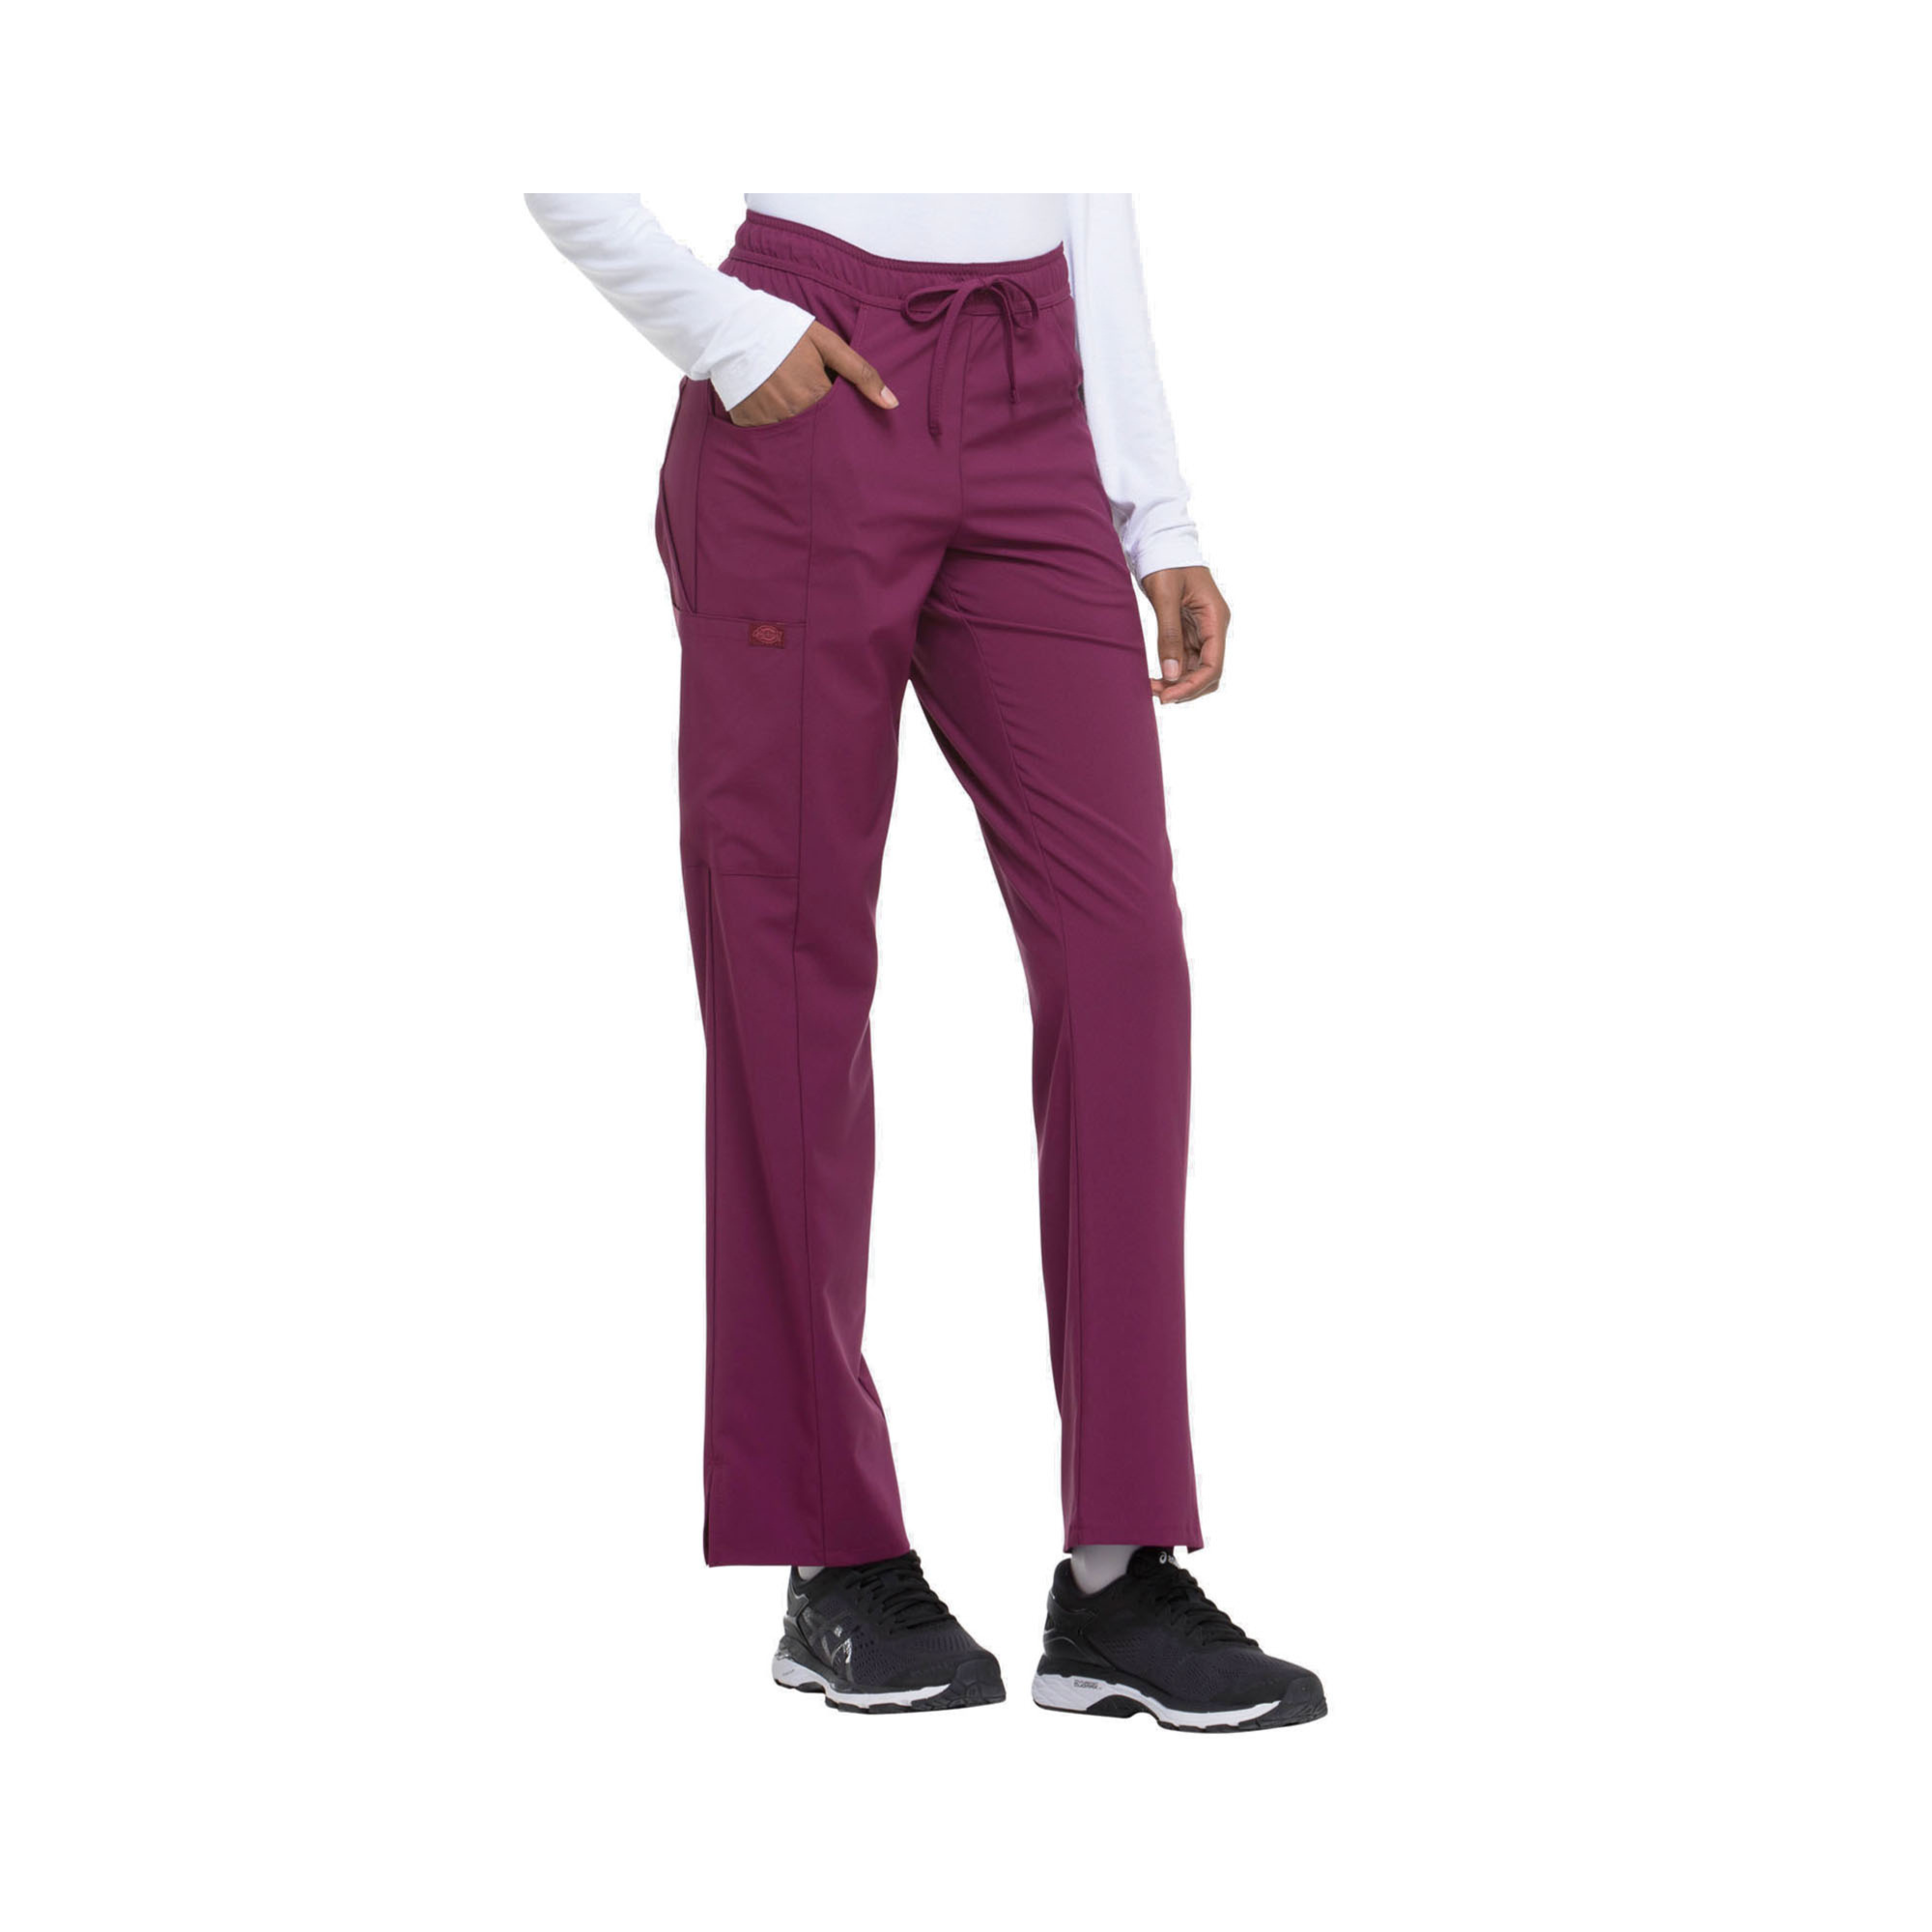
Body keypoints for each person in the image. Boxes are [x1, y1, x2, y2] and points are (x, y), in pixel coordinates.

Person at [525, 193, 1324, 1731]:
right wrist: (722, 328)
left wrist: (1158, 513)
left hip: (1039, 392)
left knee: (1125, 963)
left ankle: (1120, 1576)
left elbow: (1087, 177)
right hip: (805, 375)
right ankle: (833, 1557)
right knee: (790, 969)